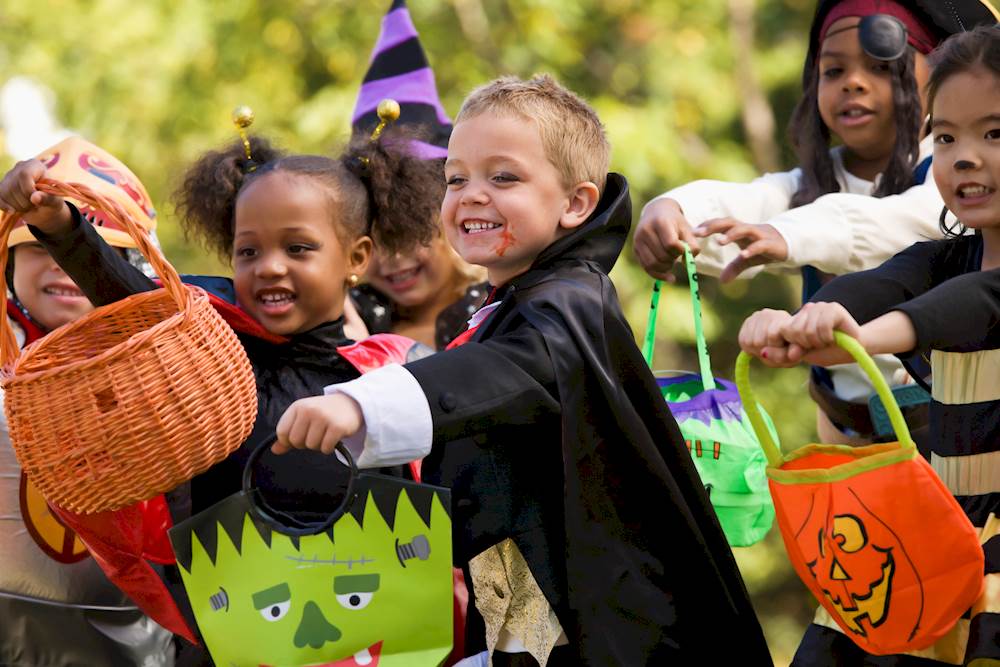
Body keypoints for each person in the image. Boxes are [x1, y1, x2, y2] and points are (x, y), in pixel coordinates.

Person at [272, 74, 773, 666]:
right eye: (455, 178)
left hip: (608, 624)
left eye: (503, 176)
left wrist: (359, 404)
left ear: (576, 203)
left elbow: (509, 368)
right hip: (522, 602)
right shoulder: (511, 304)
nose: (472, 194)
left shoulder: (568, 304)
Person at [0, 125, 441, 657]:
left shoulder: (390, 383)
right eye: (248, 251)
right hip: (221, 641)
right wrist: (59, 226)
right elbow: (129, 295)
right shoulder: (206, 342)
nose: (270, 266)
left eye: (298, 248)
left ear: (357, 258)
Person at [739, 24, 1000, 665]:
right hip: (935, 536)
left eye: (995, 133)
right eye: (945, 137)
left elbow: (967, 309)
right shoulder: (937, 258)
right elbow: (872, 288)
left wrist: (863, 336)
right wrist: (793, 326)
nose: (964, 156)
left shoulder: (968, 290)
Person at [635, 0, 998, 445]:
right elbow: (749, 203)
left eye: (881, 66)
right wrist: (673, 211)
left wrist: (788, 234)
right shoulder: (810, 187)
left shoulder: (944, 181)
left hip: (946, 436)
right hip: (846, 440)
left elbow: (904, 224)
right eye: (833, 71)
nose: (855, 84)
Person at [0, 136, 174, 666]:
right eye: (37, 247)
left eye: (71, 250)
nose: (60, 266)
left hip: (137, 638)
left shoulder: (163, 366)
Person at [347, 0, 488, 350]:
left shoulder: (496, 318)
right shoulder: (347, 320)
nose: (394, 258)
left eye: (407, 233)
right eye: (377, 239)